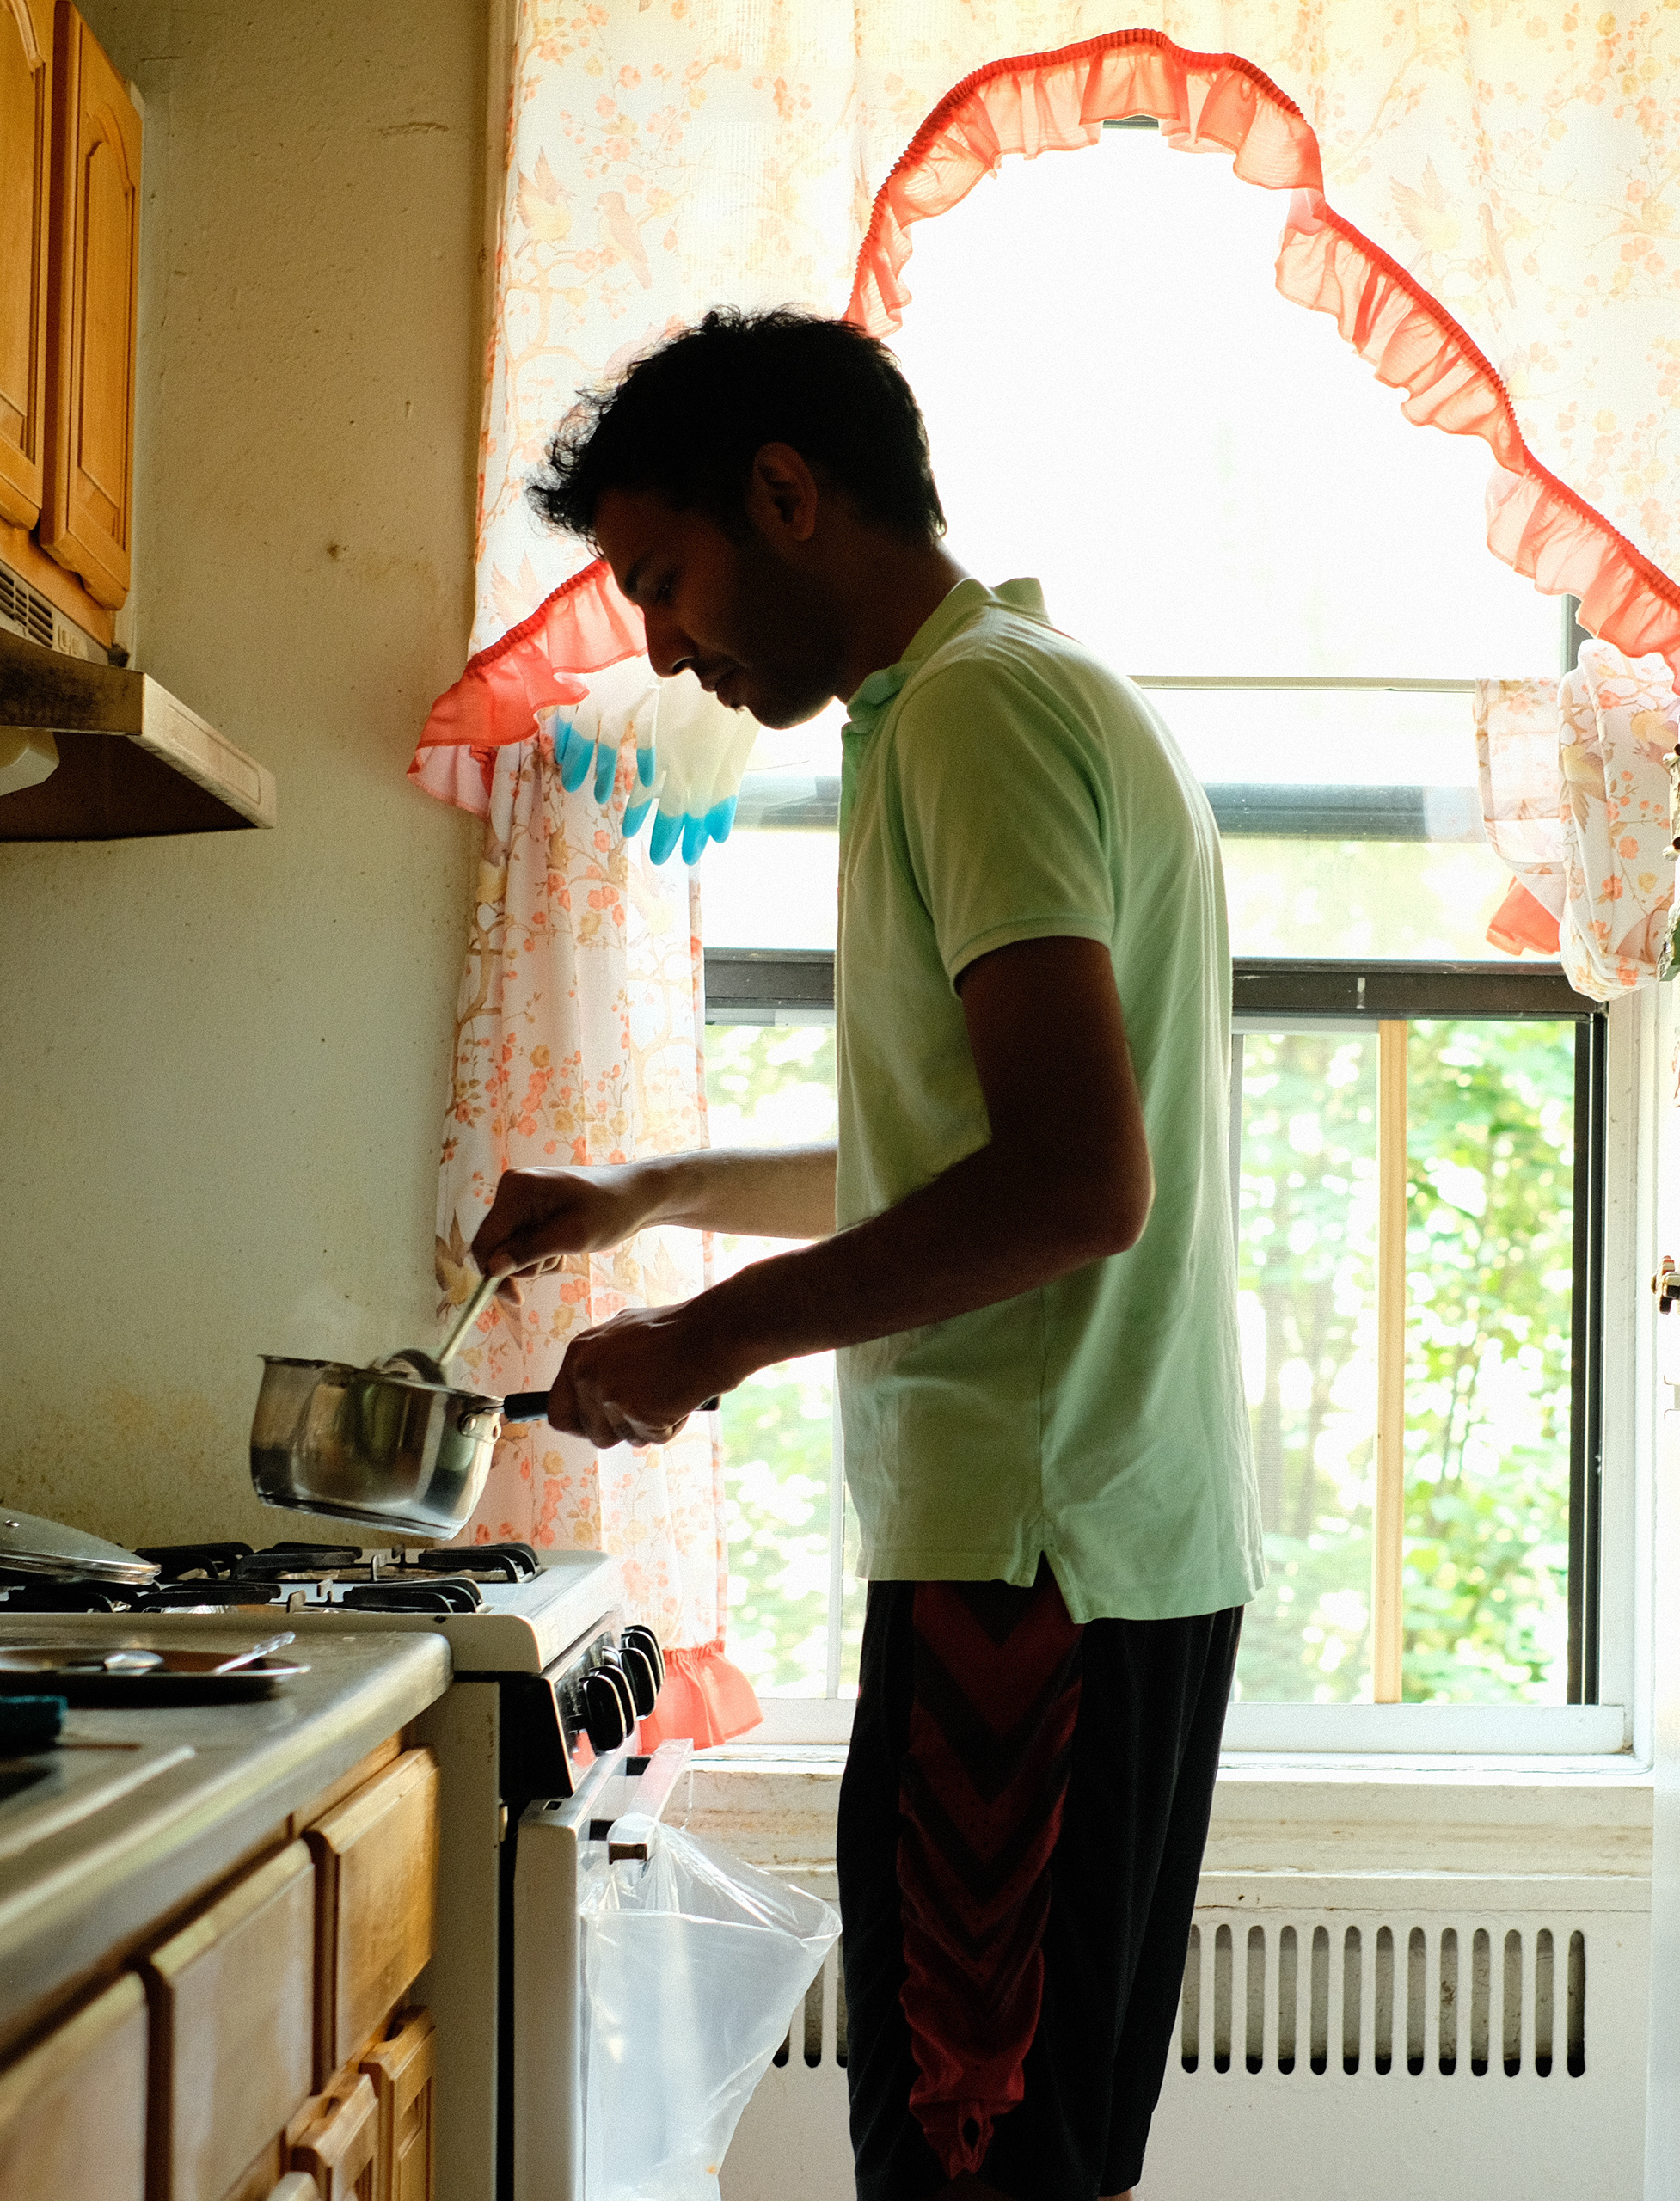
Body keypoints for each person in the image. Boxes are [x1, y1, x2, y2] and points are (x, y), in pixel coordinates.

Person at [466, 307, 1260, 2201]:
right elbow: (960, 1154)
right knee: (1008, 2152)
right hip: (1081, 1551)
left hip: (1032, 1567)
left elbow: (1077, 1180)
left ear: (789, 495)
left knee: (968, 2163)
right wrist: (645, 1191)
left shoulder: (975, 716)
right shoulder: (1002, 692)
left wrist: (705, 1342)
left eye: (663, 579)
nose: (659, 642)